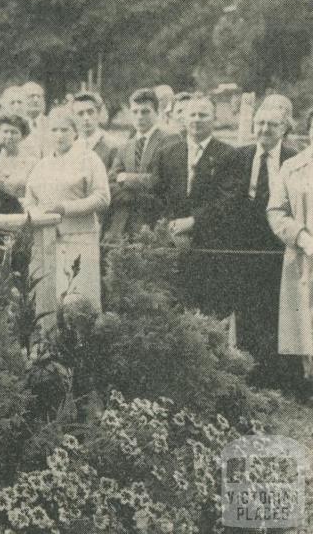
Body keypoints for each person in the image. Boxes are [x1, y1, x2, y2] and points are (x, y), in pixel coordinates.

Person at [220, 102, 303, 392]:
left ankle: (279, 379)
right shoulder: (236, 157)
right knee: (244, 310)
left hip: (278, 248)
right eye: (261, 123)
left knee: (276, 309)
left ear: (284, 128)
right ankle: (248, 376)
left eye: (273, 124)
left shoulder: (295, 160)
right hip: (243, 247)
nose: (265, 129)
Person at [151, 94, 236, 312]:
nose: (197, 119)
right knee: (173, 307)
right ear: (184, 118)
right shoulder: (167, 153)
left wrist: (194, 221)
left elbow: (229, 200)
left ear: (214, 119)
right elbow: (156, 195)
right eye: (192, 114)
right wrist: (169, 224)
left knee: (209, 312)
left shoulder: (229, 155)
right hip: (172, 244)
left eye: (203, 115)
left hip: (211, 246)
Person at [23, 107, 110, 309]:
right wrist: (36, 216)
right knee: (48, 299)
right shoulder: (42, 165)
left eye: (65, 130)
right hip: (45, 240)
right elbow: (29, 200)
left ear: (75, 133)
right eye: (54, 130)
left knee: (78, 298)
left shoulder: (89, 159)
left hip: (79, 237)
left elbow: (102, 197)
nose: (59, 135)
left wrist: (65, 208)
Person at [267, 117, 313, 392]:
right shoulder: (293, 167)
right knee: (306, 318)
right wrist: (301, 236)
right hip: (304, 256)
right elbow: (276, 210)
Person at [104, 88, 178, 239]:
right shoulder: (125, 146)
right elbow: (110, 184)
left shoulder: (170, 140)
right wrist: (136, 192)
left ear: (156, 113)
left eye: (145, 112)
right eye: (135, 112)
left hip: (155, 221)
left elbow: (161, 181)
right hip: (125, 223)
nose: (139, 117)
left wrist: (125, 178)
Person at [0, 113, 38, 198]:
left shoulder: (32, 162)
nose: (9, 136)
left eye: (14, 132)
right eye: (5, 131)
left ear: (23, 136)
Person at [71, 92, 118, 169]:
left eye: (90, 112)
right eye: (80, 113)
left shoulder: (112, 147)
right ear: (74, 117)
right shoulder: (70, 144)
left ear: (98, 113)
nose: (86, 118)